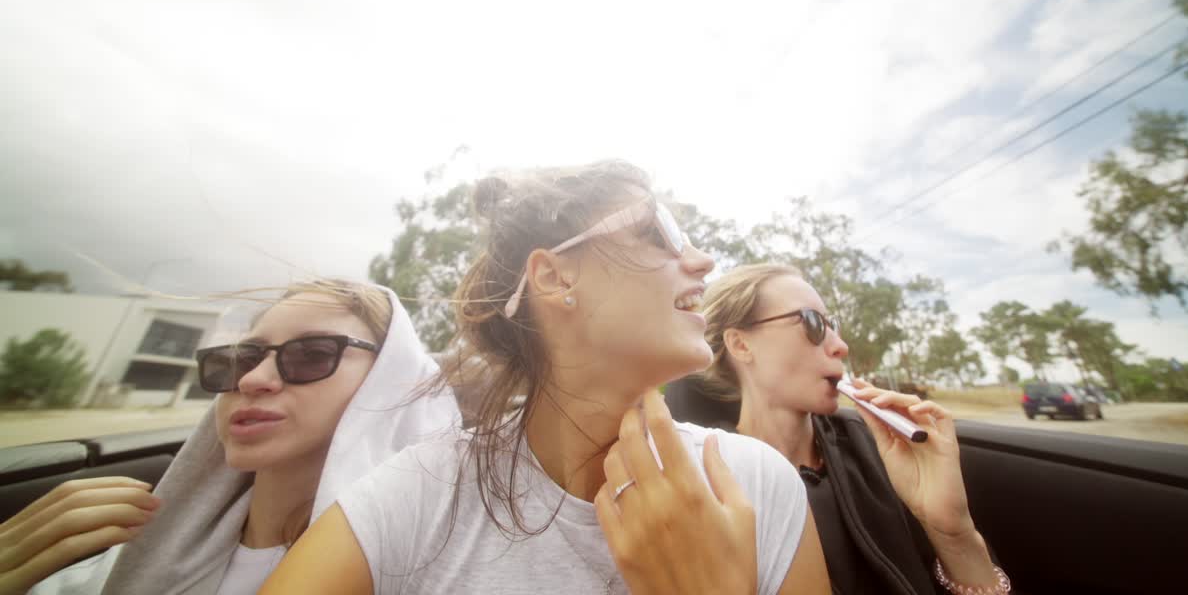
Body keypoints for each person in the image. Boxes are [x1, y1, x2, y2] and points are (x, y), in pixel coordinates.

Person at [262, 161, 832, 594]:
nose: (704, 260)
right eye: (659, 233)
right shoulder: (423, 494)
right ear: (555, 277)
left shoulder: (756, 483)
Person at [1, 279, 458, 595]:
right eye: (241, 358)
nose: (253, 379)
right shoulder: (119, 561)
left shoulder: (434, 573)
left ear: (393, 383)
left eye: (312, 354)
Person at [695, 263, 1010, 595]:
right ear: (741, 345)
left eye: (833, 326)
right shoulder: (710, 476)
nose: (840, 346)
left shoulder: (881, 448)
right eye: (813, 323)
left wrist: (953, 532)